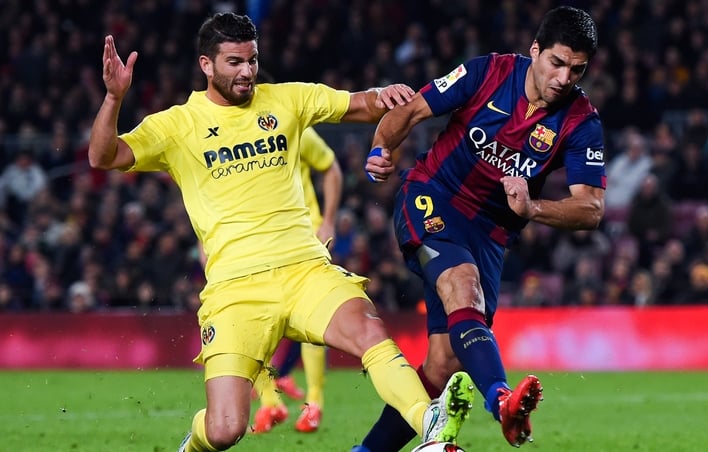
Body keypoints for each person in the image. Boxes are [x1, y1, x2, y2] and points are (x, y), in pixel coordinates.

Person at [88, 12, 475, 452]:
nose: (247, 71)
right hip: (235, 290)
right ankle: (192, 444)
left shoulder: (287, 99)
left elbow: (359, 105)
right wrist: (114, 99)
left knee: (370, 332)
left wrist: (387, 95)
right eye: (234, 61)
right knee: (225, 430)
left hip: (305, 270)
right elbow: (104, 157)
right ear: (206, 65)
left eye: (252, 60)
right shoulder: (177, 125)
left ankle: (430, 425)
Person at [359, 5, 605, 450]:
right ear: (535, 50)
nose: (564, 78)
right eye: (557, 63)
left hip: (491, 234)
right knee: (463, 283)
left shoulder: (581, 121)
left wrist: (533, 209)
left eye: (577, 69)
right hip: (433, 196)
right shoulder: (488, 73)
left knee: (445, 363)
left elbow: (591, 208)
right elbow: (412, 110)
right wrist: (381, 148)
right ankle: (502, 402)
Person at [251, 126, 342, 434]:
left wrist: (328, 221)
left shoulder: (294, 127)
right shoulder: (227, 133)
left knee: (312, 321)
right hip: (258, 243)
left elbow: (330, 166)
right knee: (253, 325)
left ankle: (314, 404)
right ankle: (269, 402)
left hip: (305, 237)